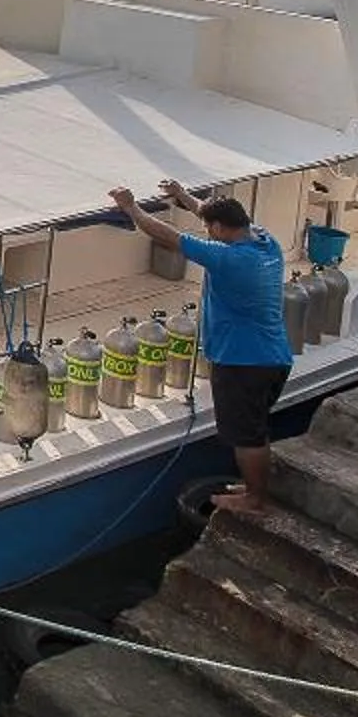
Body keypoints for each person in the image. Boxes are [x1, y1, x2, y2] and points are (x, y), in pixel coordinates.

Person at [110, 180, 293, 514]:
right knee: (254, 427)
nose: (207, 232)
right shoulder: (265, 241)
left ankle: (254, 500)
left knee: (247, 436)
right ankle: (253, 486)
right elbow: (211, 215)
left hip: (244, 362)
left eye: (210, 228)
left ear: (219, 229)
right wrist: (182, 195)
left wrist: (131, 208)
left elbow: (170, 236)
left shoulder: (228, 258)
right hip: (274, 356)